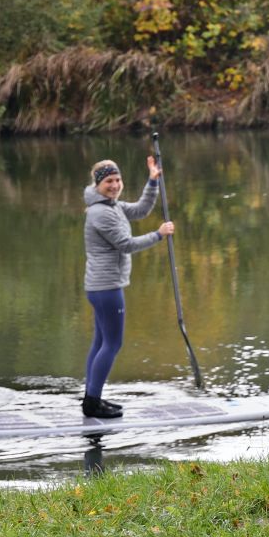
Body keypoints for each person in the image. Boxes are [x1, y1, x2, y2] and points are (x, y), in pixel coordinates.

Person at [81, 156, 174, 418]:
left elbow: (141, 210)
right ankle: (92, 402)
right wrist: (158, 234)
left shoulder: (112, 206)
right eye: (109, 181)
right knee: (112, 344)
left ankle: (92, 397)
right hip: (106, 288)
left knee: (100, 342)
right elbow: (126, 244)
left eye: (118, 180)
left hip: (102, 287)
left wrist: (152, 181)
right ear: (98, 184)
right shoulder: (101, 213)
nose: (115, 185)